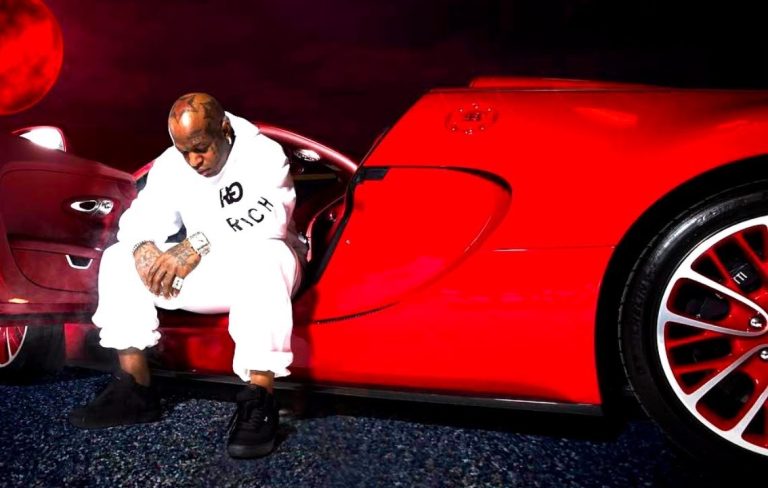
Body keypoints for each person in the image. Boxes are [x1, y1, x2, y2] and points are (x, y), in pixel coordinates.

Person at [68, 93, 307, 459]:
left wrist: (195, 245)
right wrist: (143, 247)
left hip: (262, 268)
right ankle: (136, 390)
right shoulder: (171, 165)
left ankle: (260, 397)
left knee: (266, 254)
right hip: (210, 274)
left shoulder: (262, 153)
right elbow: (139, 219)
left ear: (223, 129)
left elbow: (269, 218)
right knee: (119, 257)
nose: (194, 161)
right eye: (185, 152)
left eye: (201, 149)